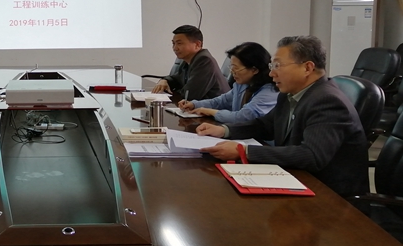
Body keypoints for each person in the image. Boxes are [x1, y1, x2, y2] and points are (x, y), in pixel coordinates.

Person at [196, 35, 368, 198]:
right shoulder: (289, 94)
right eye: (272, 66)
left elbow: (311, 155)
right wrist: (224, 130)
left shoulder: (327, 101)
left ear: (307, 68)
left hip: (330, 197)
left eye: (278, 66)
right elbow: (265, 125)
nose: (271, 74)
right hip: (296, 178)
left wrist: (244, 151)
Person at [178, 42, 277, 123]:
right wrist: (194, 104)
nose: (232, 72)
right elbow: (221, 101)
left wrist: (212, 112)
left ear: (254, 70)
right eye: (231, 67)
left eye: (236, 68)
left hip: (258, 140)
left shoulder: (269, 92)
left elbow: (242, 117)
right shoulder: (242, 84)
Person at [151, 25, 230, 100]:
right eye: (173, 43)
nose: (175, 48)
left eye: (179, 43)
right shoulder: (188, 60)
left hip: (214, 108)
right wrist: (165, 80)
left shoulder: (204, 61)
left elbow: (189, 95)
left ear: (197, 44)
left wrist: (172, 91)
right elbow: (176, 79)